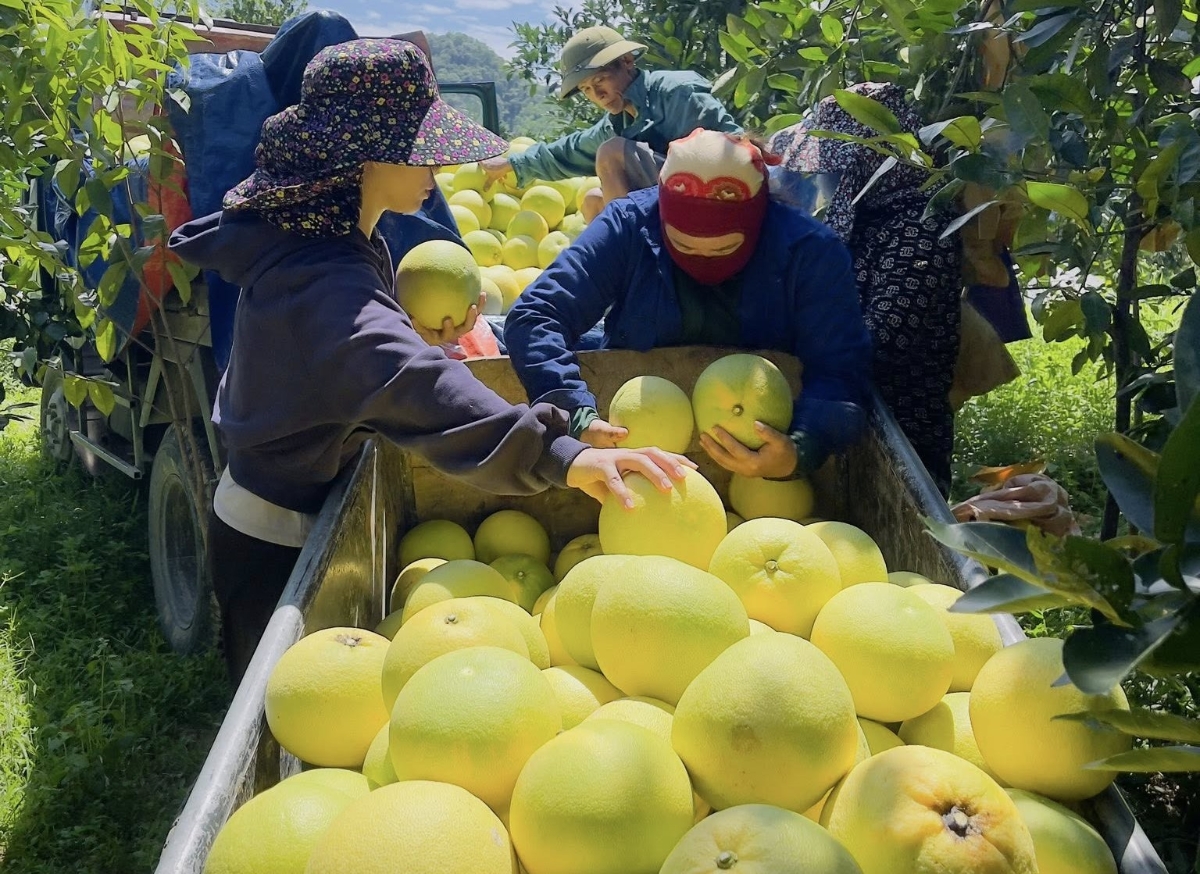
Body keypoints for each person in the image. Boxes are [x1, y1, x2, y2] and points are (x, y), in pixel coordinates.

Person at [169, 39, 690, 682]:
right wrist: (562, 454)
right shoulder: (323, 280)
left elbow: (357, 354)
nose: (439, 166)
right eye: (420, 148)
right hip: (275, 536)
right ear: (365, 158)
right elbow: (403, 377)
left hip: (288, 493)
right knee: (276, 697)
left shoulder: (324, 233)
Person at [503, 128, 873, 483]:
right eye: (684, 246)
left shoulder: (810, 253)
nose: (702, 261)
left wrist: (799, 449)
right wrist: (574, 408)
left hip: (761, 451)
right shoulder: (629, 226)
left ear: (758, 219)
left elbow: (840, 369)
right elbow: (537, 315)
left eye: (724, 249)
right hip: (637, 440)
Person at [769, 83, 963, 494]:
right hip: (835, 422)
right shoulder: (862, 219)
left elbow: (877, 345)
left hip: (900, 434)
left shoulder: (923, 231)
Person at [481, 26, 740, 221]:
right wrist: (511, 163)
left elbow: (736, 149)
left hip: (713, 201)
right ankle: (622, 277)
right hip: (669, 206)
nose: (598, 96)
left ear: (627, 62)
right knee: (593, 201)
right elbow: (570, 150)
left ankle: (631, 254)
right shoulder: (618, 122)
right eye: (586, 89)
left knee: (612, 152)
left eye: (601, 80)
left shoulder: (676, 93)